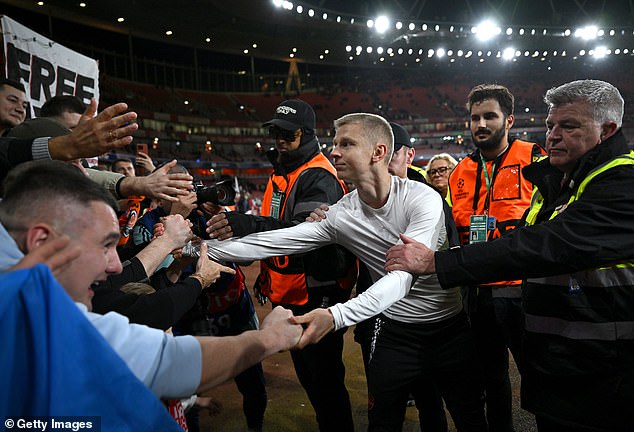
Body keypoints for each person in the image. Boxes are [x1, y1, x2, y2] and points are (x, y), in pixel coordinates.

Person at [197, 113, 486, 431]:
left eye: (346, 144)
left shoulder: (423, 200)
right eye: (334, 143)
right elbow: (276, 242)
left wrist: (335, 316)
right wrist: (191, 252)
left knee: (470, 419)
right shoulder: (341, 214)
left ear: (378, 152)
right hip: (394, 335)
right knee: (382, 423)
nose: (334, 151)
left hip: (450, 330)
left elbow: (402, 279)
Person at [385, 79, 634, 432]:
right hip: (526, 322)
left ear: (607, 130)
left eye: (569, 125)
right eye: (550, 125)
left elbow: (541, 244)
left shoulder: (613, 180)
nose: (554, 135)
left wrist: (438, 264)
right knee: (492, 376)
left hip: (600, 363)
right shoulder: (556, 178)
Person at [0, 159, 302, 401]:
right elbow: (166, 360)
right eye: (105, 245)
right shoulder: (58, 322)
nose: (116, 265)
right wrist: (269, 338)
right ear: (40, 241)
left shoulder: (34, 302)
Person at [207, 99, 357, 431]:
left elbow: (305, 234)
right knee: (313, 381)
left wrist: (247, 224)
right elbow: (278, 232)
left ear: (306, 135)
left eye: (287, 134)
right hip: (290, 292)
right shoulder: (285, 170)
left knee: (326, 386)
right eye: (276, 131)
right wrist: (265, 273)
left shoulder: (318, 174)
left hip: (317, 294)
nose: (279, 139)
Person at [446, 84, 544, 432]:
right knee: (492, 376)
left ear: (509, 120)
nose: (480, 124)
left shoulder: (535, 159)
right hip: (476, 293)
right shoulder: (459, 173)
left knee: (537, 372)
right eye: (475, 117)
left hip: (520, 289)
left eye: (490, 116)